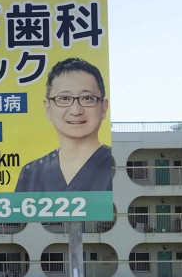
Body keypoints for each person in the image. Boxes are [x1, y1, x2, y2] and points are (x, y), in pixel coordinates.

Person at [15, 57, 114, 192]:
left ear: (103, 107)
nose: (76, 111)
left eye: (87, 98)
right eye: (64, 98)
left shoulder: (115, 167)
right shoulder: (31, 174)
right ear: (48, 108)